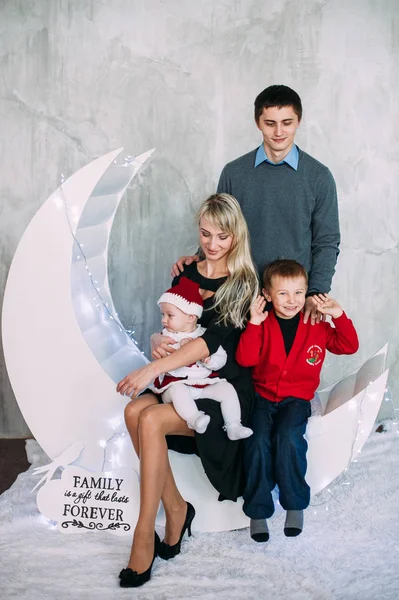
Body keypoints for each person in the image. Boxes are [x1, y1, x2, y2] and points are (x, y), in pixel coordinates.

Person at [116, 193, 258, 588]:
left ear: (237, 236)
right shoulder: (187, 272)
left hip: (220, 387)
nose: (212, 244)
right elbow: (172, 322)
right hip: (181, 380)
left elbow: (209, 342)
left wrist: (151, 368)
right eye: (206, 234)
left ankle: (144, 532)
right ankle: (176, 508)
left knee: (150, 420)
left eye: (222, 236)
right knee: (132, 412)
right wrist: (156, 338)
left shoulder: (245, 282)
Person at [172, 84, 340, 325]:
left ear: (299, 121)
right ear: (257, 122)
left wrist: (315, 292)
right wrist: (200, 259)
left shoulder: (319, 177)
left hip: (290, 301)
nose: (279, 131)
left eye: (287, 122)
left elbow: (326, 241)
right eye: (270, 123)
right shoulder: (234, 172)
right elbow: (220, 226)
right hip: (238, 294)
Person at [235, 259, 359, 542]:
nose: (292, 301)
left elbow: (349, 345)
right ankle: (258, 510)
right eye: (283, 293)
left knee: (289, 438)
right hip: (262, 397)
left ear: (306, 293)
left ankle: (294, 504)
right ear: (267, 295)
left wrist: (338, 314)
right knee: (257, 442)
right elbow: (245, 359)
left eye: (298, 293)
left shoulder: (314, 323)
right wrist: (254, 323)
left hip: (297, 399)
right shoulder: (262, 322)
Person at [151, 276, 253, 440]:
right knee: (178, 392)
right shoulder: (166, 337)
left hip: (203, 384)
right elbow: (164, 363)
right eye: (163, 314)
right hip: (176, 384)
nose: (164, 320)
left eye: (170, 315)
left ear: (191, 317)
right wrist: (175, 347)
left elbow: (221, 357)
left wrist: (210, 360)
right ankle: (195, 418)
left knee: (226, 390)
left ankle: (233, 425)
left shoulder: (204, 335)